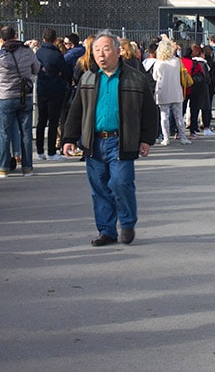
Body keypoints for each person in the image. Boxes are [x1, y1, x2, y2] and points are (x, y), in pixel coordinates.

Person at [61, 31, 158, 246]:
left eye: (105, 49)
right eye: (96, 50)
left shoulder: (135, 78)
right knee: (99, 188)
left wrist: (146, 139)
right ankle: (106, 230)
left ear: (117, 51)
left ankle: (127, 222)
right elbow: (76, 110)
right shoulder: (88, 78)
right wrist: (69, 138)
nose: (101, 55)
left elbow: (150, 112)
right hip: (94, 142)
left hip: (121, 140)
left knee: (120, 183)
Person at [0, 26, 40, 177]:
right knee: (26, 132)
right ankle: (27, 167)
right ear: (16, 36)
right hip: (25, 95)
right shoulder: (27, 51)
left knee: (4, 133)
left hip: (6, 96)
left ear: (2, 39)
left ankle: (3, 167)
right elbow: (36, 69)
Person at [35, 28, 72, 160]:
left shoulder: (38, 53)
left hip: (41, 89)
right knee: (53, 121)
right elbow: (67, 72)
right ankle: (51, 151)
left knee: (41, 121)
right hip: (55, 90)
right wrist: (60, 75)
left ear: (43, 39)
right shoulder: (56, 55)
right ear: (55, 39)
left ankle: (40, 150)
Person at [153, 38, 191, 146]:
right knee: (179, 116)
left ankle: (166, 138)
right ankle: (183, 137)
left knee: (164, 116)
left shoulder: (158, 63)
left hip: (162, 91)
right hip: (176, 91)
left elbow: (155, 77)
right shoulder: (176, 61)